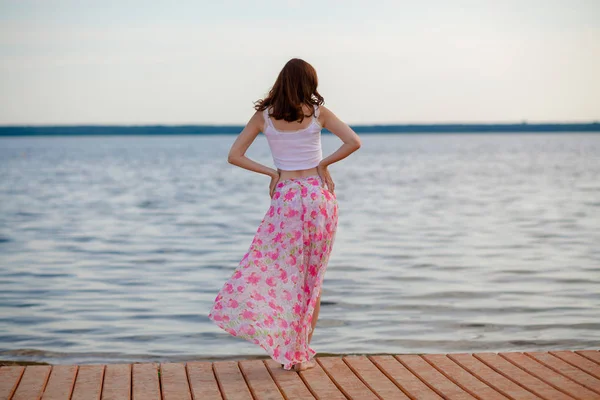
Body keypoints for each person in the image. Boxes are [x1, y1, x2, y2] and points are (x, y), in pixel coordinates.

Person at [208, 58, 361, 372]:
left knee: (281, 276)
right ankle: (299, 354)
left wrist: (271, 173)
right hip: (319, 198)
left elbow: (234, 155)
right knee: (311, 281)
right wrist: (323, 165)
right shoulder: (319, 113)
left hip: (287, 198)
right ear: (310, 84)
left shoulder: (265, 116)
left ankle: (287, 351)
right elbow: (353, 142)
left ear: (280, 82)